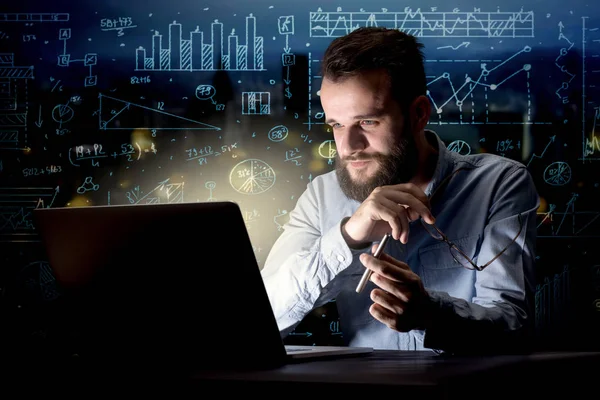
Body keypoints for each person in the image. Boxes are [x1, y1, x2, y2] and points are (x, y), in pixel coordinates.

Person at [260, 27, 540, 354]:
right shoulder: (322, 197)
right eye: (336, 125)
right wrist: (349, 237)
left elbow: (513, 327)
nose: (348, 146)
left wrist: (431, 314)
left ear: (419, 114)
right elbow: (261, 319)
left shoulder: (497, 184)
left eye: (367, 122)